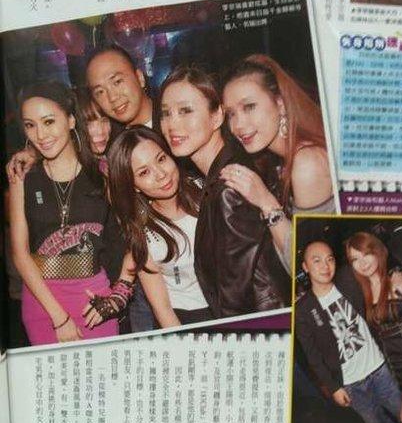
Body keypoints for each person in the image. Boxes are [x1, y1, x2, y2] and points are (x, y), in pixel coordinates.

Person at [158, 65, 290, 318]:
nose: (172, 124)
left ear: (217, 116)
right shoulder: (222, 170)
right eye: (165, 113)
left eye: (185, 111)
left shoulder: (230, 186)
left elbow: (235, 300)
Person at [8, 81, 131, 345]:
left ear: (71, 121)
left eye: (49, 122)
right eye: (30, 125)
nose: (40, 134)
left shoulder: (104, 174)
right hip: (42, 303)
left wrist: (119, 293)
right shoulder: (23, 177)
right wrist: (59, 317)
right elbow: (20, 253)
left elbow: (134, 236)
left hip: (93, 302)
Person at [220, 54, 335, 269]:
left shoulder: (307, 163)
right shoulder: (281, 160)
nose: (238, 125)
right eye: (231, 114)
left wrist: (266, 202)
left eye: (249, 107)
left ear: (280, 104)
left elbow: (304, 267)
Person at [295, 240, 402, 423]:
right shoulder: (303, 309)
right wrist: (334, 387)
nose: (325, 266)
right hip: (350, 385)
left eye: (330, 259)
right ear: (305, 267)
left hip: (379, 369)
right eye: (316, 261)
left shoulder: (347, 279)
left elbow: (376, 258)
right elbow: (313, 356)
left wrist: (396, 272)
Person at [107, 125, 213, 326]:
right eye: (144, 172)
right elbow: (162, 308)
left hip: (231, 309)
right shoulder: (142, 233)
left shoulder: (208, 193)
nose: (161, 174)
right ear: (133, 186)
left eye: (161, 159)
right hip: (184, 318)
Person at [346, 231, 402, 423]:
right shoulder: (365, 290)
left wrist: (398, 272)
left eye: (366, 254)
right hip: (398, 367)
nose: (362, 263)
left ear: (377, 251)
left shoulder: (399, 280)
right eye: (355, 259)